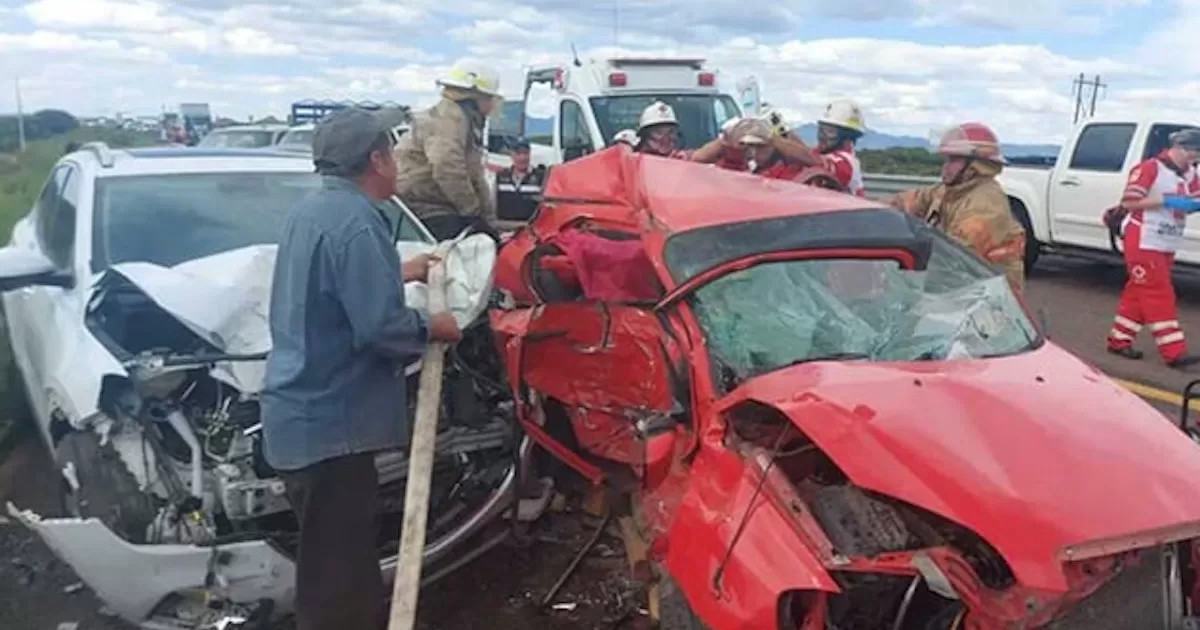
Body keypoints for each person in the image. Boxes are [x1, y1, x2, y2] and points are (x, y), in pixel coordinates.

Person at [260, 107, 463, 630]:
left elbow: (333, 285)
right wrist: (432, 326)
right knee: (341, 590)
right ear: (375, 158)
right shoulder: (357, 223)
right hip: (332, 431)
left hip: (301, 421)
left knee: (333, 567)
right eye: (392, 152)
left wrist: (397, 271)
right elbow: (380, 330)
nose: (397, 162)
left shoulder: (315, 211)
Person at [890, 122, 1027, 294]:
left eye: (953, 160)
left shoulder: (985, 205)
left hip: (989, 297)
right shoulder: (950, 191)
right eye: (946, 160)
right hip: (965, 287)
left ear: (975, 166)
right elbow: (909, 201)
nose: (945, 167)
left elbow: (952, 257)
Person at [1105, 128, 1200, 369]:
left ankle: (1119, 340)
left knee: (1139, 291)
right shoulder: (1149, 168)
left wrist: (1192, 204)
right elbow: (1130, 201)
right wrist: (1166, 200)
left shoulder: (1189, 173)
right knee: (1159, 293)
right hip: (1143, 238)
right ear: (1180, 148)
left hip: (1165, 240)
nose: (1195, 159)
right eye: (1194, 153)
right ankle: (1174, 352)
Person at [396, 61, 502, 240]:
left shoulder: (462, 121)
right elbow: (447, 169)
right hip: (425, 209)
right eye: (489, 98)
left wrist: (488, 221)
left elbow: (474, 175)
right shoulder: (448, 120)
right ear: (475, 96)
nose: (492, 105)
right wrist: (472, 213)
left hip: (439, 205)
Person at [813, 99, 867, 197]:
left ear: (847, 137)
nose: (822, 136)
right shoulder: (822, 152)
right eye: (821, 130)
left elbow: (809, 158)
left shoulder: (846, 162)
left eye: (829, 132)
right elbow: (801, 151)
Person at [495, 136, 546, 222]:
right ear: (511, 155)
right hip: (504, 229)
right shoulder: (501, 176)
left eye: (525, 153)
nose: (522, 157)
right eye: (518, 153)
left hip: (529, 230)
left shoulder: (540, 177)